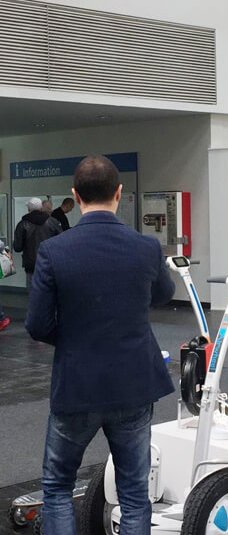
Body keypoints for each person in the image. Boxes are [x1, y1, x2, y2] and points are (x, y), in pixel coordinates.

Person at [25, 155, 175, 535]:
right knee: (135, 495)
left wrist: (75, 338)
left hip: (77, 387)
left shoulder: (54, 251)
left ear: (75, 195)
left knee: (58, 488)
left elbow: (37, 324)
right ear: (118, 193)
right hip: (134, 385)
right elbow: (163, 294)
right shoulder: (146, 247)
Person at [13, 197, 62, 291]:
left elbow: (17, 247)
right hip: (50, 263)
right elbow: (61, 241)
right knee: (50, 293)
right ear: (41, 208)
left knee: (33, 293)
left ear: (28, 209)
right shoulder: (53, 222)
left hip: (31, 265)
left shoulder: (22, 224)